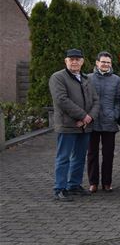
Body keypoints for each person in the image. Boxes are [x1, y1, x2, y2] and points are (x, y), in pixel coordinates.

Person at [49, 49, 100, 201]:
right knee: (63, 158)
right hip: (67, 126)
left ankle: (74, 185)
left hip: (85, 126)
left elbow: (96, 100)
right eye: (71, 59)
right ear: (66, 61)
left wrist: (89, 117)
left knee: (79, 157)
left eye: (78, 59)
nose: (74, 62)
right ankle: (60, 188)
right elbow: (62, 100)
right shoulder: (58, 77)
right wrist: (83, 115)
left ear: (82, 62)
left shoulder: (86, 79)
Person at [87, 51, 120, 193]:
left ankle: (107, 182)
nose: (105, 64)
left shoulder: (116, 80)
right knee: (92, 154)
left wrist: (115, 115)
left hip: (109, 121)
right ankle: (93, 182)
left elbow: (118, 100)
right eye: (103, 62)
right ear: (97, 63)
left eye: (108, 62)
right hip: (92, 121)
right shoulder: (88, 78)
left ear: (110, 64)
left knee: (108, 154)